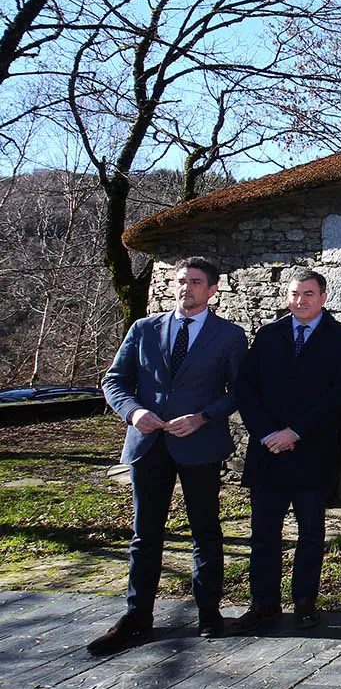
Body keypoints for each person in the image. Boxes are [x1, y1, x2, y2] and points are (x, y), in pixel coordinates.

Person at [91, 257, 247, 655]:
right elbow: (114, 380)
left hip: (199, 444)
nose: (186, 288)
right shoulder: (144, 329)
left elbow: (238, 390)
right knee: (146, 535)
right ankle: (137, 616)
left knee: (205, 532)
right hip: (148, 444)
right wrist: (133, 412)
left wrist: (204, 417)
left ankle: (209, 613)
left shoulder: (229, 336)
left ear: (213, 290)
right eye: (181, 281)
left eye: (196, 282)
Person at [230, 269, 341, 633]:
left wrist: (296, 432)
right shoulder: (268, 335)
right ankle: (263, 603)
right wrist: (267, 432)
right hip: (268, 450)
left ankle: (304, 602)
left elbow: (339, 395)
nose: (300, 300)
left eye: (308, 294)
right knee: (264, 534)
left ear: (323, 298)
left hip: (311, 451)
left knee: (311, 533)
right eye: (294, 293)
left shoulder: (340, 338)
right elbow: (246, 389)